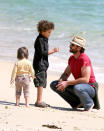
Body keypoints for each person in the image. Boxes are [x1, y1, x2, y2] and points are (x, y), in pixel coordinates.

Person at [50, 36, 100, 111]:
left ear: (79, 48)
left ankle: (89, 103)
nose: (70, 46)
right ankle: (77, 103)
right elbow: (66, 74)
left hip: (90, 87)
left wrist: (67, 83)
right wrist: (61, 81)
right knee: (54, 85)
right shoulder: (72, 58)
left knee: (78, 88)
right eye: (70, 44)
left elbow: (86, 80)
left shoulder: (84, 58)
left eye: (72, 45)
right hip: (79, 86)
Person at [33, 20, 59, 108]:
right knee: (40, 81)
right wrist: (53, 51)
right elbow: (42, 53)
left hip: (42, 63)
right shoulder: (40, 39)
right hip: (39, 64)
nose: (49, 34)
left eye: (50, 32)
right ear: (42, 31)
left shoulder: (44, 38)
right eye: (48, 32)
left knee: (42, 81)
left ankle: (39, 100)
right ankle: (39, 101)